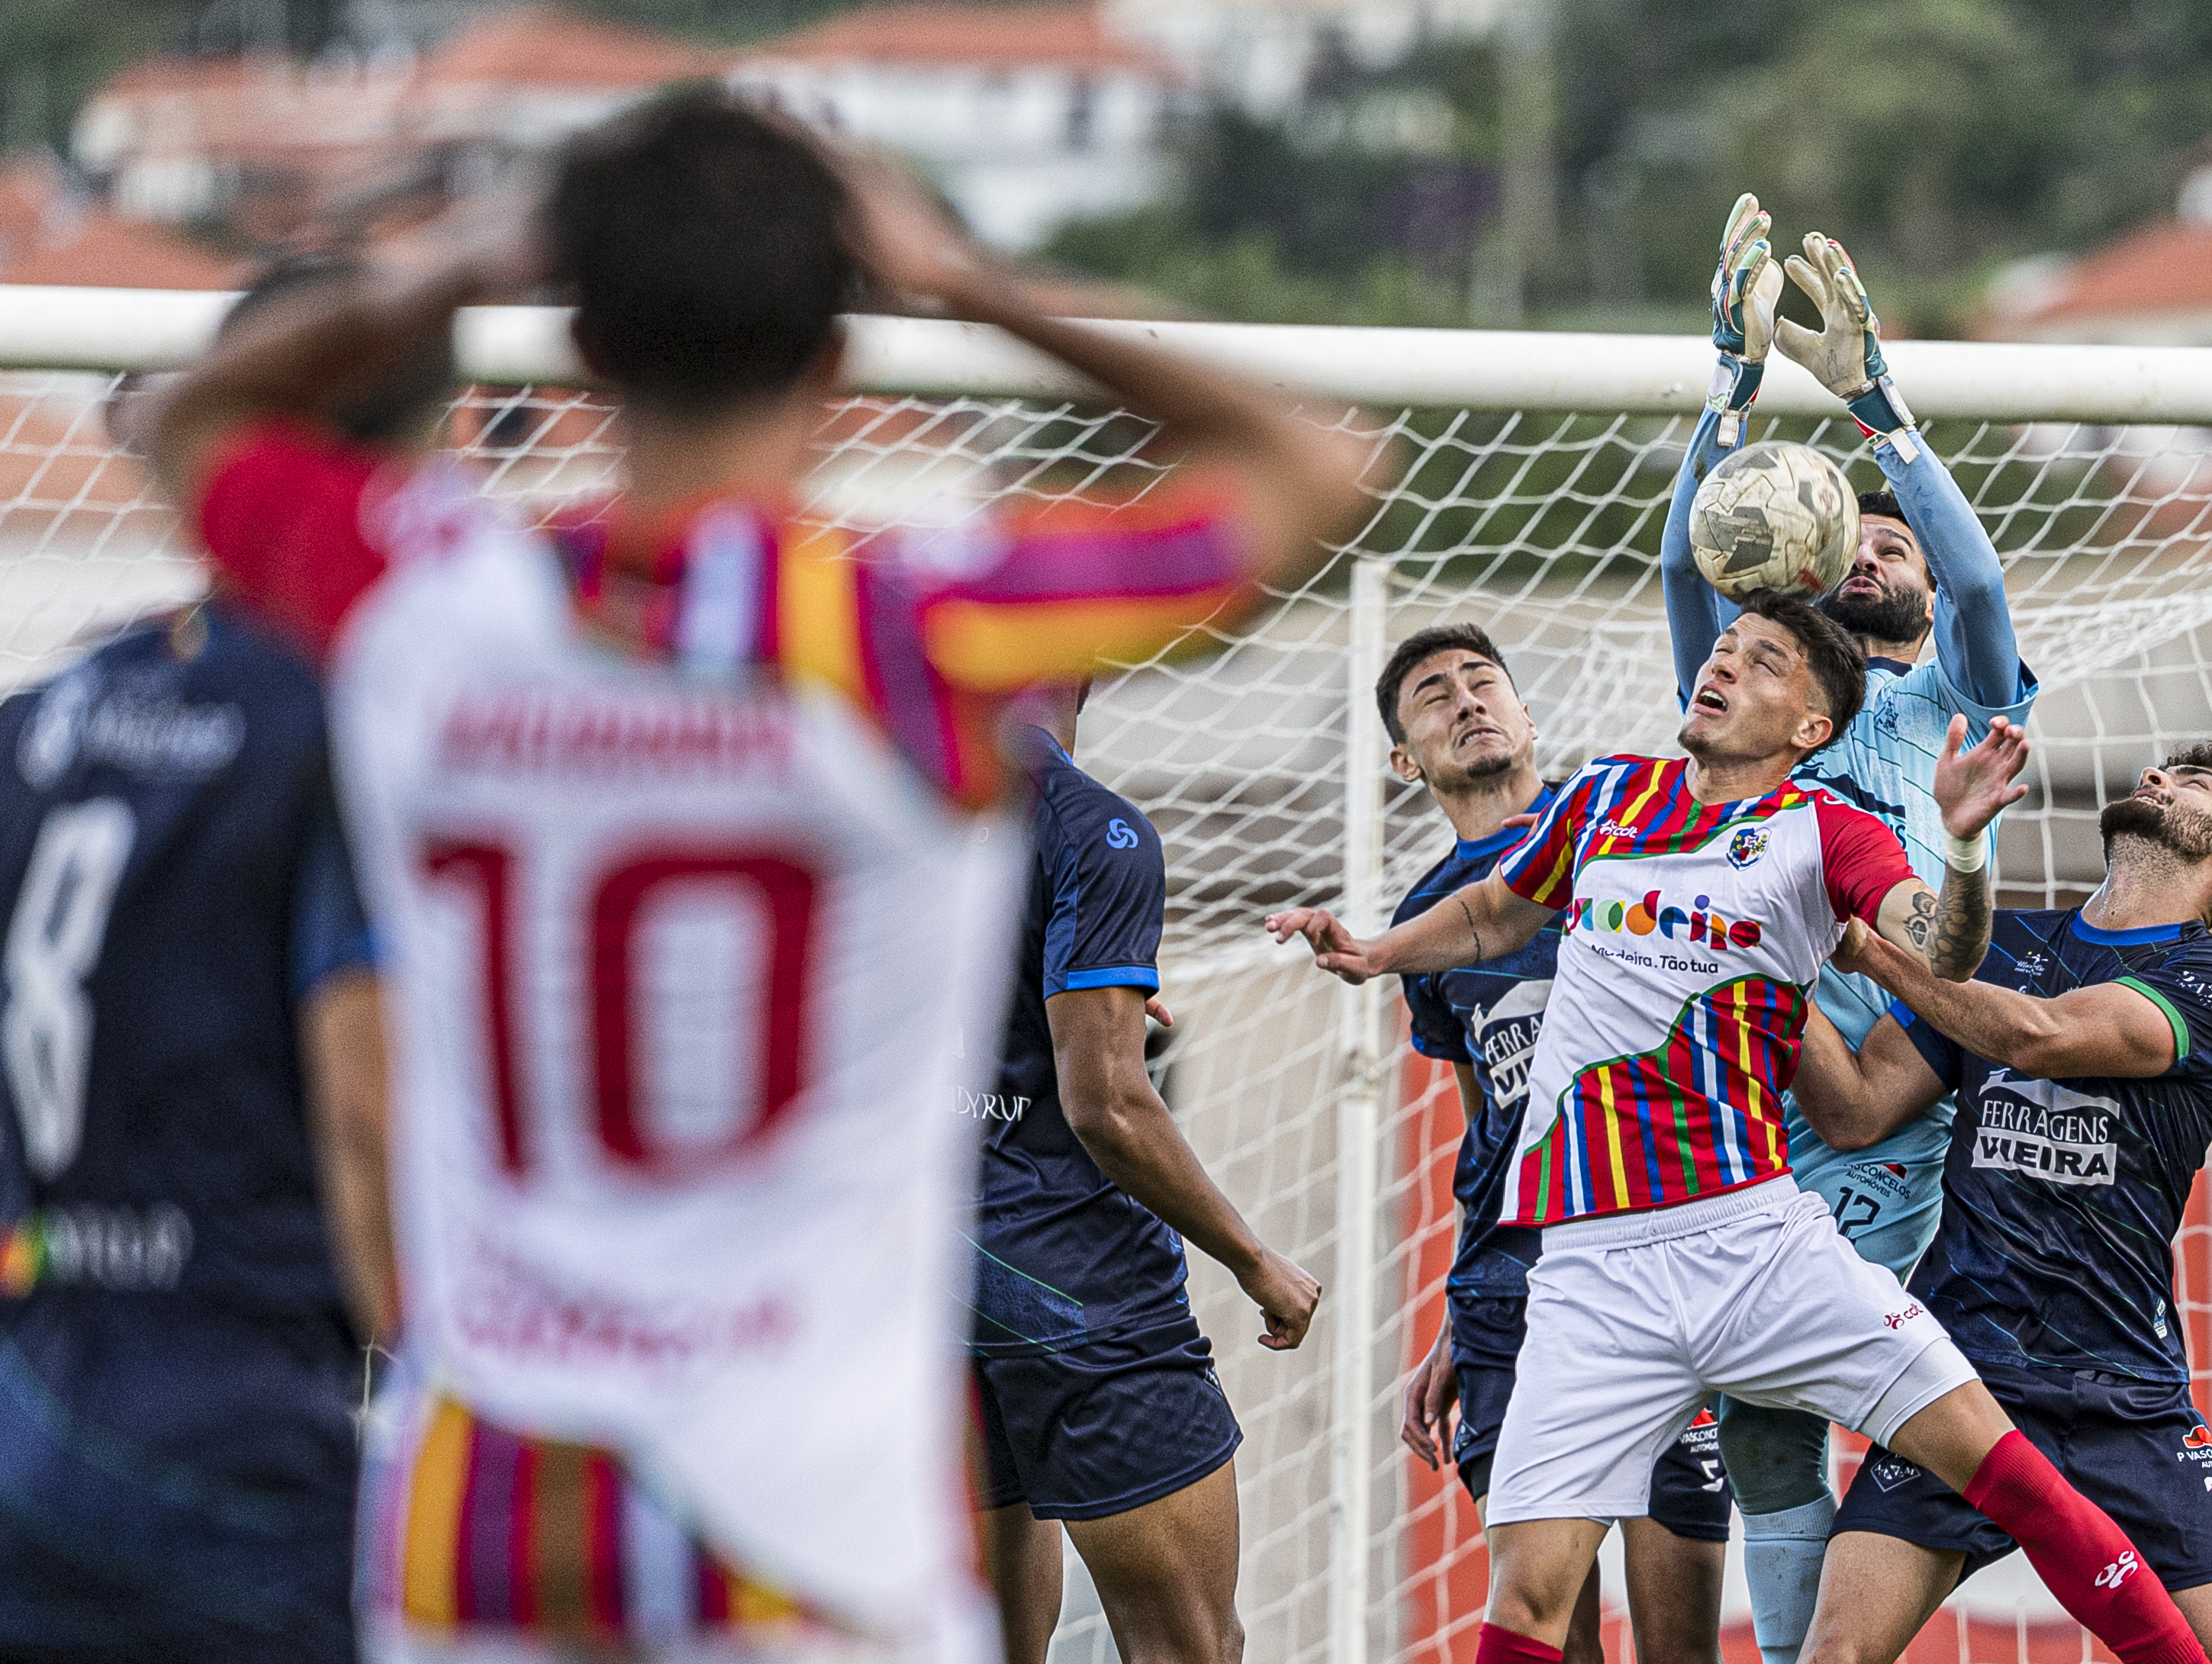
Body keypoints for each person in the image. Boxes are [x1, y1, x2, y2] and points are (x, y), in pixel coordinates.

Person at [148, 89, 1369, 1662]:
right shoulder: (918, 637)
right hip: (809, 1526)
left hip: (492, 1521)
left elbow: (191, 424)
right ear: (838, 355)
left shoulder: (432, 600)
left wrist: (456, 262)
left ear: (582, 343)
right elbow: (1314, 461)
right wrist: (966, 280)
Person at [1269, 590, 2212, 1664]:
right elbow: (1498, 910)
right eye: (1724, 650)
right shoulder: (1607, 792)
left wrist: (1957, 847)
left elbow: (1943, 950)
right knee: (1528, 1600)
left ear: (1812, 726)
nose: (1722, 666)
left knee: (2014, 1477)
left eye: (1763, 661)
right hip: (1589, 1273)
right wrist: (1375, 952)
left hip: (1755, 1242)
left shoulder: (1829, 831)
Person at [0, 256, 406, 1664]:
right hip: (237, 1438)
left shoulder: (54, 708)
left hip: (36, 1397)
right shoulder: (345, 723)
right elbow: (368, 1123)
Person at [1657, 195, 2041, 1664]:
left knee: (1867, 1401)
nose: (1875, 554)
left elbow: (1984, 582)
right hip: (1738, 1089)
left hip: (1889, 1100)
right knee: (1763, 1445)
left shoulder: (1956, 698)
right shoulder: (1763, 700)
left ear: (1923, 596)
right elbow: (1686, 573)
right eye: (1853, 542)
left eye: (1896, 545)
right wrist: (1730, 391)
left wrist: (1878, 412)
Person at [1785, 742, 2212, 1664]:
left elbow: (2035, 1036)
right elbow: (1855, 1111)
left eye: (2192, 782)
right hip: (1962, 1382)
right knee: (1835, 1654)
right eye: (2156, 771)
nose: (2156, 778)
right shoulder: (1999, 946)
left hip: (2126, 1394)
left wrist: (1864, 952)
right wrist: (1768, 970)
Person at [1382, 623, 1730, 1664]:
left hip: (1653, 1277)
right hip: (1508, 1305)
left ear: (1528, 718)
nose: (1465, 701)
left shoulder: (1628, 836)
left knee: (1679, 1650)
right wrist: (1457, 1315)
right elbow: (1489, 1128)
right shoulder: (1423, 921)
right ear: (1406, 761)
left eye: (1482, 682)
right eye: (1434, 696)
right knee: (1549, 1642)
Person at [974, 682, 1320, 1664]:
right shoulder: (1092, 827)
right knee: (1190, 1646)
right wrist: (1253, 1260)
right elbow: (1108, 1106)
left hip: (931, 1288)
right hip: (1077, 1297)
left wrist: (1077, 1012)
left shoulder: (905, 801)